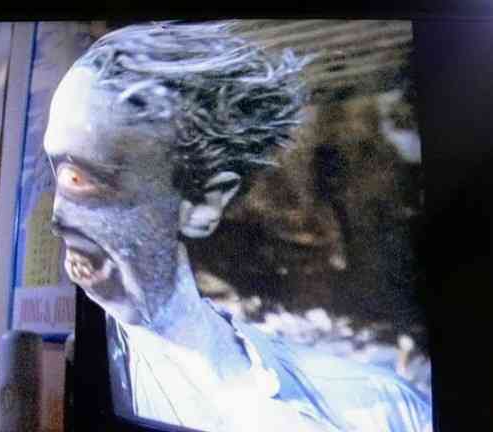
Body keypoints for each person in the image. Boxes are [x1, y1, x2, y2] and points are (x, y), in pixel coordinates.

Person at [44, 21, 432, 432]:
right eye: (57, 172)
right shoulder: (101, 369)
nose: (55, 220)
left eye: (80, 178)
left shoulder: (378, 410)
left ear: (203, 205)